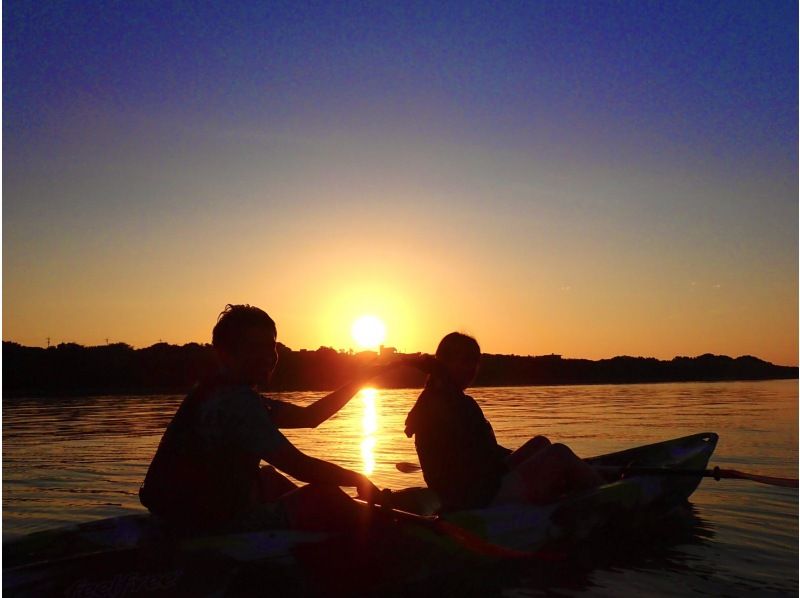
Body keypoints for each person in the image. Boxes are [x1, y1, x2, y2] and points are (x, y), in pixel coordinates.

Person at [140, 304, 393, 532]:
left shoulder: (222, 391)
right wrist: (358, 479)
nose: (267, 356)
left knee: (268, 478)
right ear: (226, 353)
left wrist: (361, 381)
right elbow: (300, 467)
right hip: (205, 523)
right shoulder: (235, 402)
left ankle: (324, 522)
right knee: (326, 497)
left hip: (184, 511)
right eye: (253, 348)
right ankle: (377, 539)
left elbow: (309, 417)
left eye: (270, 346)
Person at [404, 332, 602, 511]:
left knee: (540, 444)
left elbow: (481, 451)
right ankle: (606, 494)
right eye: (463, 361)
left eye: (474, 361)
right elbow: (479, 460)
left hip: (479, 484)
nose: (471, 368)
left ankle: (578, 480)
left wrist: (522, 459)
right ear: (444, 363)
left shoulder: (435, 397)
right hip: (477, 497)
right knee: (559, 454)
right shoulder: (452, 403)